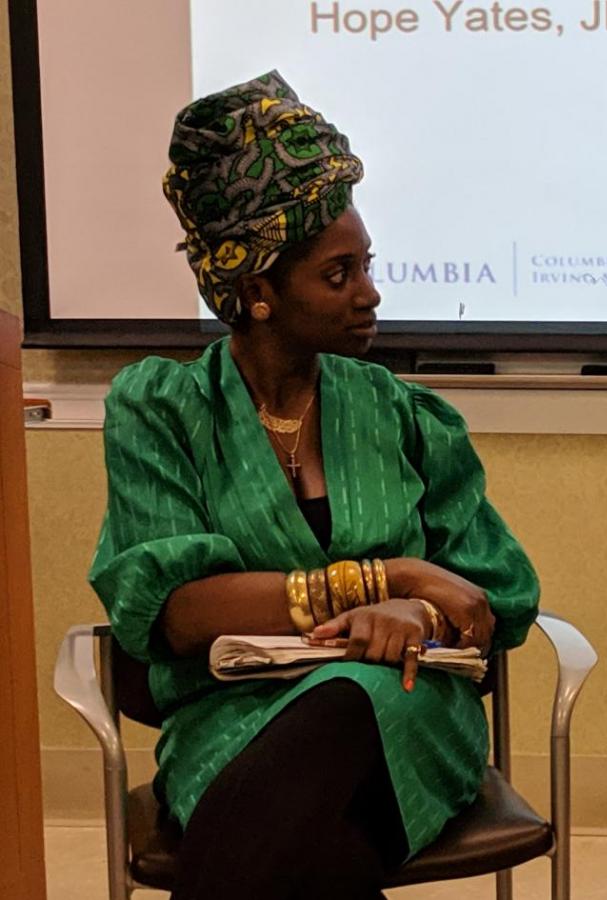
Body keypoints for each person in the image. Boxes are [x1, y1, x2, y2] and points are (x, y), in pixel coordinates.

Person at [89, 71, 539, 900]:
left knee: (338, 712)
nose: (370, 294)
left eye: (367, 265)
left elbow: (494, 598)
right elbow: (175, 612)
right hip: (230, 719)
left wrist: (422, 612)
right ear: (257, 293)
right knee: (314, 858)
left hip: (405, 705)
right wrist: (389, 578)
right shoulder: (160, 410)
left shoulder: (402, 414)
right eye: (338, 276)